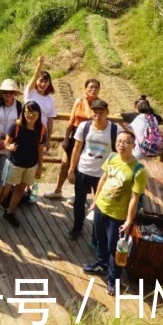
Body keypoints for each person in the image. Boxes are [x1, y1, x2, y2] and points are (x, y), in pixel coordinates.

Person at [84, 130, 148, 296]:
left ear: (134, 145)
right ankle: (101, 263)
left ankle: (113, 280)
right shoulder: (112, 157)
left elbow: (135, 198)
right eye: (119, 141)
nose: (122, 145)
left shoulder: (138, 170)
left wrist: (128, 221)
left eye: (126, 142)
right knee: (100, 239)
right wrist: (95, 201)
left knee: (116, 248)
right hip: (101, 207)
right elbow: (103, 179)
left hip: (118, 215)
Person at [0, 101, 45, 229]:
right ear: (23, 113)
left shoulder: (41, 129)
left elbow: (40, 149)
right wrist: (9, 146)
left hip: (31, 165)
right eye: (28, 112)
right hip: (14, 163)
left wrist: (39, 167)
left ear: (39, 114)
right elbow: (6, 143)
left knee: (20, 189)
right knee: (4, 190)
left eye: (34, 112)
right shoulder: (16, 126)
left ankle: (10, 212)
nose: (31, 115)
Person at [67, 99, 122, 241]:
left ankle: (96, 233)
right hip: (83, 170)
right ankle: (77, 227)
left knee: (100, 204)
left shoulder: (115, 130)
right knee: (79, 201)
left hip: (103, 174)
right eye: (95, 111)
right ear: (91, 112)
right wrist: (72, 169)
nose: (98, 114)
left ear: (107, 113)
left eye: (101, 112)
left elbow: (122, 152)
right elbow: (77, 148)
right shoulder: (84, 126)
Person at [46, 78, 101, 201]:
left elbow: (89, 115)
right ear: (85, 88)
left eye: (96, 87)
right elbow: (71, 122)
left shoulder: (99, 104)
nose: (93, 89)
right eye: (91, 87)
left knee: (81, 167)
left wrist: (86, 101)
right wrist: (66, 138)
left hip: (90, 137)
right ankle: (57, 190)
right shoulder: (78, 101)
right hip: (76, 134)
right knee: (65, 164)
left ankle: (77, 194)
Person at [23, 56, 57, 145]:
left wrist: (49, 138)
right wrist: (40, 64)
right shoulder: (30, 93)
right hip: (26, 129)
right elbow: (35, 76)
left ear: (49, 83)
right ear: (36, 81)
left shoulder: (50, 100)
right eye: (40, 81)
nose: (43, 84)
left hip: (41, 132)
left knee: (38, 156)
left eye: (46, 81)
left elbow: (50, 120)